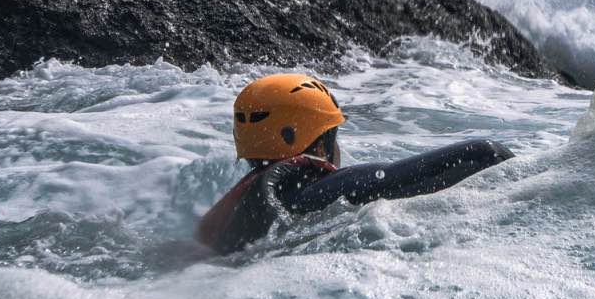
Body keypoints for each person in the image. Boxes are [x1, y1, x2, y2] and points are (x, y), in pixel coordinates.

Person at [195, 73, 514, 255]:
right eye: (332, 134)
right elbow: (487, 153)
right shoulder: (298, 190)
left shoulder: (242, 204)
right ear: (320, 142)